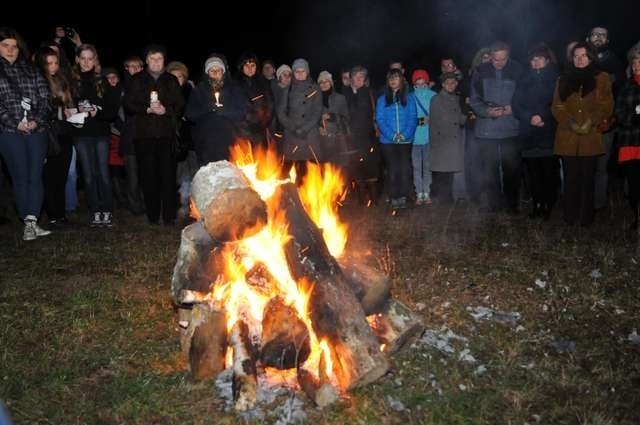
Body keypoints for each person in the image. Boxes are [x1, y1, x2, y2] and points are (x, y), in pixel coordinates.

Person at [552, 42, 614, 226]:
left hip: (590, 135)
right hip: (567, 135)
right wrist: (570, 122)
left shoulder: (602, 78)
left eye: (583, 55)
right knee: (570, 178)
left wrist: (591, 121)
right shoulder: (563, 78)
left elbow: (607, 105)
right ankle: (570, 217)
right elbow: (557, 106)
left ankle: (586, 218)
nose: (579, 59)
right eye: (576, 56)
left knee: (588, 178)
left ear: (591, 57)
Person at [0, 27, 52, 240]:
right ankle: (28, 223)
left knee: (35, 175)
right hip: (8, 132)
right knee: (20, 176)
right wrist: (15, 123)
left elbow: (46, 100)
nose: (11, 50)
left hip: (36, 130)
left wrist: (36, 121)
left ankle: (31, 220)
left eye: (14, 46)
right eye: (5, 46)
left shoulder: (32, 70)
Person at [123, 44, 184, 226]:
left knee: (168, 176)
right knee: (148, 177)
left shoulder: (171, 80)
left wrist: (166, 110)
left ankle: (168, 216)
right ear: (147, 61)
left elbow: (180, 105)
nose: (156, 62)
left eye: (159, 58)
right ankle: (152, 215)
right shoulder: (137, 80)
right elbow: (128, 103)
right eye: (152, 58)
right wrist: (147, 108)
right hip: (144, 135)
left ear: (164, 61)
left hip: (166, 136)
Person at [469, 41, 524, 213]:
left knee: (512, 168)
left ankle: (511, 204)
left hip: (511, 128)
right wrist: (488, 111)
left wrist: (513, 108)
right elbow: (474, 99)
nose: (499, 63)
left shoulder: (518, 70)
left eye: (503, 59)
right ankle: (494, 203)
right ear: (490, 56)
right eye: (496, 59)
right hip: (487, 129)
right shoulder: (480, 71)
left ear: (508, 56)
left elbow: (525, 95)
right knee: (489, 169)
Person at [71, 44, 121, 227]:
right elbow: (65, 107)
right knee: (88, 175)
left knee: (103, 173)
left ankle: (107, 210)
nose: (86, 62)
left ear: (95, 60)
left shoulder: (103, 81)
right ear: (77, 59)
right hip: (81, 134)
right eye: (82, 58)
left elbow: (111, 111)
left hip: (100, 134)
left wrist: (96, 112)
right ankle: (95, 211)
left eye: (90, 58)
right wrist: (76, 110)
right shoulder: (71, 81)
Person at [512, 43, 560, 220]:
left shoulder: (556, 79)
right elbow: (516, 104)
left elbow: (558, 103)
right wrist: (530, 117)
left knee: (548, 172)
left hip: (548, 132)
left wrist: (543, 117)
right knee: (533, 174)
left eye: (539, 58)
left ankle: (548, 204)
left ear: (547, 60)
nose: (536, 62)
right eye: (533, 59)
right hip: (528, 133)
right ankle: (537, 203)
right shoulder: (524, 79)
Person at [35, 47, 75, 227]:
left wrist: (71, 112)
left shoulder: (62, 80)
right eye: (49, 63)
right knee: (49, 176)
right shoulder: (38, 81)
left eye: (56, 62)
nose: (53, 66)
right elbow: (42, 110)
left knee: (61, 176)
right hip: (49, 134)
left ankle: (60, 213)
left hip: (65, 133)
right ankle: (52, 214)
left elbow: (67, 105)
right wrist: (60, 111)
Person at [185, 54, 245, 165]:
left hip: (229, 142)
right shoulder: (199, 90)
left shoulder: (234, 89)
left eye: (219, 70)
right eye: (212, 70)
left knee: (228, 177)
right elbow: (190, 114)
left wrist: (224, 111)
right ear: (207, 73)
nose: (216, 73)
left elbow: (241, 113)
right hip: (205, 144)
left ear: (223, 72)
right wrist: (208, 107)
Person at [375, 68, 417, 210]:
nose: (393, 80)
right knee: (392, 169)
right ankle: (394, 196)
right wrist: (393, 135)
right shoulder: (382, 99)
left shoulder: (409, 98)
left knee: (404, 169)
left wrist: (404, 134)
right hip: (388, 142)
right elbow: (380, 120)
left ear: (401, 80)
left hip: (405, 141)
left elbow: (412, 118)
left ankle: (404, 195)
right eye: (390, 78)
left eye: (396, 77)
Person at [277, 58, 323, 180]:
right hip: (292, 135)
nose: (300, 74)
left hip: (310, 135)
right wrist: (293, 128)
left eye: (303, 71)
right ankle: (289, 196)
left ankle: (309, 197)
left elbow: (317, 111)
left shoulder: (315, 89)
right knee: (288, 169)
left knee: (310, 172)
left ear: (307, 72)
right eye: (297, 71)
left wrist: (305, 128)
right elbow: (280, 112)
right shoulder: (288, 89)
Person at [344, 65, 380, 205]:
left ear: (365, 80)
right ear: (351, 78)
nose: (358, 80)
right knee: (356, 166)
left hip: (368, 136)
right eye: (356, 77)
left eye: (361, 77)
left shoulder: (371, 93)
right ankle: (360, 198)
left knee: (370, 166)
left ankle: (374, 198)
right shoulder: (345, 93)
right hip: (352, 137)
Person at [429, 72, 466, 204]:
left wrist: (468, 117)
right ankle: (441, 196)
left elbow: (460, 118)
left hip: (453, 140)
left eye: (454, 83)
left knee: (450, 170)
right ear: (443, 84)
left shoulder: (456, 98)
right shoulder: (436, 99)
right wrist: (435, 143)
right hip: (442, 140)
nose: (451, 85)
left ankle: (447, 196)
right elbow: (434, 122)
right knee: (441, 171)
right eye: (448, 83)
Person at [614, 43, 640, 231]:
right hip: (631, 141)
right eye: (634, 64)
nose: (636, 66)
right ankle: (637, 217)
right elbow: (619, 113)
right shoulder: (627, 87)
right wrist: (635, 116)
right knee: (634, 183)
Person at [236, 52, 273, 151]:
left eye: (253, 65)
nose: (250, 68)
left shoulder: (263, 83)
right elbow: (234, 107)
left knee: (262, 163)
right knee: (244, 164)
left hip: (259, 131)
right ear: (241, 66)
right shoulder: (235, 84)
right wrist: (245, 123)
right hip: (242, 132)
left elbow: (270, 105)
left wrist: (263, 122)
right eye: (246, 65)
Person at [410, 69, 436, 205]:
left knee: (427, 166)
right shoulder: (409, 97)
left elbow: (438, 115)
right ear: (414, 83)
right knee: (416, 167)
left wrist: (431, 118)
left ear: (427, 82)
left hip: (429, 137)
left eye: (423, 82)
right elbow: (407, 117)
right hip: (414, 139)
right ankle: (419, 193)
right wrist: (419, 120)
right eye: (417, 83)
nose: (420, 85)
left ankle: (427, 192)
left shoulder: (433, 96)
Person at [317, 71, 350, 169]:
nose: (323, 84)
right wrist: (318, 127)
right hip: (322, 141)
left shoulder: (340, 98)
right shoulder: (314, 100)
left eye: (326, 81)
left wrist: (332, 116)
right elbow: (311, 118)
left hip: (338, 140)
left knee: (340, 171)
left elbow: (347, 118)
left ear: (331, 83)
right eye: (321, 82)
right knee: (325, 170)